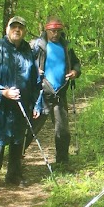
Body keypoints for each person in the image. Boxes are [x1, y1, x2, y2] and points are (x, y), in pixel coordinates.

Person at [0, 16, 41, 190]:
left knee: (17, 141)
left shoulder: (28, 51)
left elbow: (35, 80)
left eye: (20, 27)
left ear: (24, 31)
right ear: (7, 29)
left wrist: (36, 103)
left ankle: (13, 175)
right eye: (14, 27)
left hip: (21, 104)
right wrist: (3, 92)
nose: (17, 30)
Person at [30, 18, 82, 166]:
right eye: (53, 31)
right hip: (41, 94)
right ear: (46, 30)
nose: (56, 34)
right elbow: (25, 63)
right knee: (30, 128)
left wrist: (75, 72)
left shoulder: (66, 46)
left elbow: (76, 63)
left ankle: (62, 162)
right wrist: (35, 70)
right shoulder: (37, 46)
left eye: (58, 31)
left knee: (63, 131)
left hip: (59, 94)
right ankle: (16, 161)